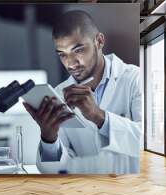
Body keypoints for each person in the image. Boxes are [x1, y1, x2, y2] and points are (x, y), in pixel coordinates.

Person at [23, 10, 142, 174]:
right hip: (83, 192)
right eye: (62, 55)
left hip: (130, 192)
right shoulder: (59, 94)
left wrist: (99, 116)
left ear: (99, 41)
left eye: (78, 50)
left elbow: (149, 145)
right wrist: (49, 138)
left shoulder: (135, 79)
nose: (70, 64)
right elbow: (56, 171)